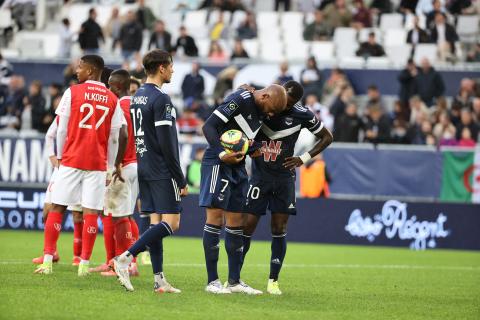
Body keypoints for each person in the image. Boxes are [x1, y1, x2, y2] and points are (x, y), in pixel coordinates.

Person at [34, 55, 127, 276]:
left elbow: (62, 128)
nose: (77, 71)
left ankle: (47, 261)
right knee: (91, 213)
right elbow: (116, 136)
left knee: (58, 206)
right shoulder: (111, 98)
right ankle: (84, 265)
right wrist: (110, 166)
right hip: (97, 163)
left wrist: (61, 154)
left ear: (92, 70)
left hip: (72, 158)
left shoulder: (73, 92)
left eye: (80, 67)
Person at [241, 81, 333, 295]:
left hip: (284, 179)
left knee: (279, 229)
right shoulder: (264, 102)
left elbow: (327, 137)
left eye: (288, 103)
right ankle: (235, 278)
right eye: (282, 100)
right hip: (260, 177)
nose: (282, 105)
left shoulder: (303, 114)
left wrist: (304, 158)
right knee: (247, 227)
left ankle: (273, 281)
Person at [200, 83, 288, 294]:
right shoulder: (240, 99)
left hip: (238, 166)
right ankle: (212, 282)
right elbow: (208, 127)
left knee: (237, 221)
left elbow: (243, 138)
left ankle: (234, 282)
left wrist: (254, 148)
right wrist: (222, 154)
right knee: (214, 218)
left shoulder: (260, 107)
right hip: (218, 162)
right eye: (271, 108)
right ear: (265, 96)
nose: (271, 114)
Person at [114, 49, 188, 293]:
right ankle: (125, 258)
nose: (173, 70)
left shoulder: (138, 96)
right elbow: (168, 143)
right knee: (172, 223)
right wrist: (180, 177)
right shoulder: (161, 99)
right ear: (162, 68)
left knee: (155, 222)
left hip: (144, 166)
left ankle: (159, 280)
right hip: (161, 169)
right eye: (171, 66)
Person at [93, 69, 140, 277]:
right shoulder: (139, 105)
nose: (108, 89)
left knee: (116, 217)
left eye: (111, 85)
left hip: (122, 165)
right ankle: (127, 262)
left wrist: (115, 163)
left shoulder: (117, 105)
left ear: (119, 86)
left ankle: (123, 264)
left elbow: (120, 135)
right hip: (140, 165)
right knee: (126, 215)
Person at [31, 116, 84, 267]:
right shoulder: (64, 114)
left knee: (77, 213)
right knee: (47, 210)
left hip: (78, 164)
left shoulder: (85, 112)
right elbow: (49, 135)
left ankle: (78, 256)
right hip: (62, 166)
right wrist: (53, 156)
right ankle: (51, 252)